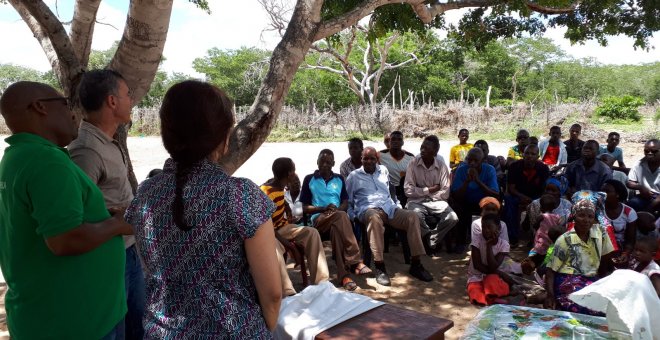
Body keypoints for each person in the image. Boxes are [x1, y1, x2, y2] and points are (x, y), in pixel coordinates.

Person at [125, 81, 281, 337]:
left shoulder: (146, 192)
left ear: (167, 132)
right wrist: (264, 329)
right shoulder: (240, 195)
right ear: (224, 135)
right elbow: (273, 294)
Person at [0, 81, 131, 338]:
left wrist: (105, 217)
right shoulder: (46, 161)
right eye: (66, 104)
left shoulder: (18, 156)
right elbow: (65, 240)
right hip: (74, 321)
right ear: (40, 108)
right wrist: (119, 224)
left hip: (51, 314)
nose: (74, 113)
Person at [68, 69, 145, 339]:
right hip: (108, 259)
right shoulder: (86, 150)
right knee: (114, 330)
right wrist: (115, 222)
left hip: (127, 251)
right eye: (127, 95)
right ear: (112, 102)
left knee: (139, 326)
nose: (131, 101)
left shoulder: (107, 142)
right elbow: (74, 215)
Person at [346, 147, 433, 286]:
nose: (369, 161)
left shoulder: (383, 170)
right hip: (368, 210)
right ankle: (380, 266)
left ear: (377, 159)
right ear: (361, 159)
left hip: (389, 208)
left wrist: (397, 205)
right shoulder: (353, 176)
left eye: (372, 158)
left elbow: (390, 193)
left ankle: (416, 264)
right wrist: (353, 216)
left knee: (412, 216)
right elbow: (349, 201)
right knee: (374, 218)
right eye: (365, 158)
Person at [300, 149, 371, 291]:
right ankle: (356, 260)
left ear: (333, 163)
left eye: (328, 162)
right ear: (317, 162)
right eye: (322, 161)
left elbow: (345, 201)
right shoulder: (309, 179)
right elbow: (304, 207)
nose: (325, 165)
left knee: (337, 231)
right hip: (319, 219)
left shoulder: (339, 179)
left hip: (337, 218)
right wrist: (322, 208)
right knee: (342, 217)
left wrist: (338, 210)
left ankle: (344, 276)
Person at [262, 157, 330, 293]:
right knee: (274, 249)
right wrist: (288, 245)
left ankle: (321, 282)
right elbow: (266, 226)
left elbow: (280, 199)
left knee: (312, 233)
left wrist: (286, 206)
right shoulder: (266, 193)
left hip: (283, 227)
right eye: (293, 170)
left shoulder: (279, 187)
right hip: (270, 233)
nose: (295, 173)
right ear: (289, 174)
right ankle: (288, 291)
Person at [544, 199, 615, 315]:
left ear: (594, 219)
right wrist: (550, 295)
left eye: (590, 216)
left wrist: (602, 284)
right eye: (581, 215)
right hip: (568, 279)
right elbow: (551, 270)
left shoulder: (601, 233)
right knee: (582, 306)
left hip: (591, 280)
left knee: (608, 305)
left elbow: (605, 261)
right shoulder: (565, 239)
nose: (586, 220)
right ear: (574, 217)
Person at [404, 135, 458, 253]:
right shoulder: (413, 163)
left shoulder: (441, 166)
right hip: (416, 202)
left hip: (436, 201)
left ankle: (431, 238)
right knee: (415, 215)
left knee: (453, 218)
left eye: (427, 148)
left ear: (435, 151)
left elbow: (445, 192)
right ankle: (430, 238)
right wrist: (429, 190)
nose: (422, 150)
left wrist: (421, 192)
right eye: (422, 147)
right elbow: (408, 190)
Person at [450, 147, 500, 253]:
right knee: (457, 208)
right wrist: (466, 182)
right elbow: (455, 194)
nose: (472, 163)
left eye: (476, 160)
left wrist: (478, 181)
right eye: (469, 160)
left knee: (492, 206)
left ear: (482, 161)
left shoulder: (489, 169)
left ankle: (491, 240)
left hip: (483, 202)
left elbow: (495, 193)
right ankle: (461, 241)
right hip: (465, 201)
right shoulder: (461, 169)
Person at [504, 144, 549, 244]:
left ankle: (536, 237)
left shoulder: (543, 168)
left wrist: (533, 200)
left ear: (538, 156)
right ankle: (512, 236)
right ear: (523, 155)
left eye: (533, 154)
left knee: (541, 203)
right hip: (517, 195)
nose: (529, 156)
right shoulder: (514, 166)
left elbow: (544, 190)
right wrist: (523, 197)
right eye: (527, 153)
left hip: (536, 196)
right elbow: (511, 188)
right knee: (509, 200)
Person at [466, 214, 512, 306]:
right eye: (483, 227)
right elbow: (477, 265)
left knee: (491, 281)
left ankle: (493, 296)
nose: (486, 230)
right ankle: (493, 298)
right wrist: (500, 273)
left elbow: (493, 266)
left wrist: (489, 246)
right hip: (476, 276)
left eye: (489, 227)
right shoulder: (477, 241)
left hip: (492, 275)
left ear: (498, 228)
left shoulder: (504, 245)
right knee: (475, 292)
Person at [602, 179, 637, 258]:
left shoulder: (629, 213)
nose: (602, 194)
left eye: (607, 191)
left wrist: (625, 253)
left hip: (620, 248)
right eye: (602, 191)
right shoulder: (598, 209)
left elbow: (630, 240)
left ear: (617, 194)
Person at [379, 131, 414, 206]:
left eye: (399, 139)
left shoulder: (410, 157)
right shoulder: (380, 155)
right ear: (389, 142)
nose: (396, 141)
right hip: (388, 189)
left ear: (402, 142)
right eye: (393, 139)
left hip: (404, 190)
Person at [627, 139, 660, 214]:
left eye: (654, 151)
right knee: (632, 204)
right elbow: (629, 182)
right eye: (646, 151)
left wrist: (650, 207)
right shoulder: (639, 164)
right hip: (645, 196)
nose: (650, 153)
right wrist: (640, 187)